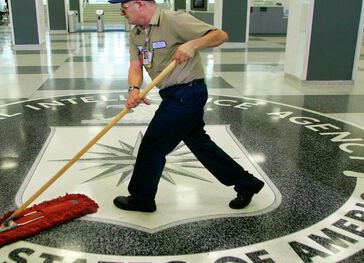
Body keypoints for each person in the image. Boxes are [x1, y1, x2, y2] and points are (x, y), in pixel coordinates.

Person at [107, 0, 264, 212]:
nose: (121, 13)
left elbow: (220, 35)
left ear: (140, 4)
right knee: (199, 143)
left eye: (123, 8)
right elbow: (135, 66)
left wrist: (192, 44)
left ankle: (141, 198)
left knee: (152, 145)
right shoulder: (135, 34)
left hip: (187, 93)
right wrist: (133, 89)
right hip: (172, 94)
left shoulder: (173, 20)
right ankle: (246, 183)